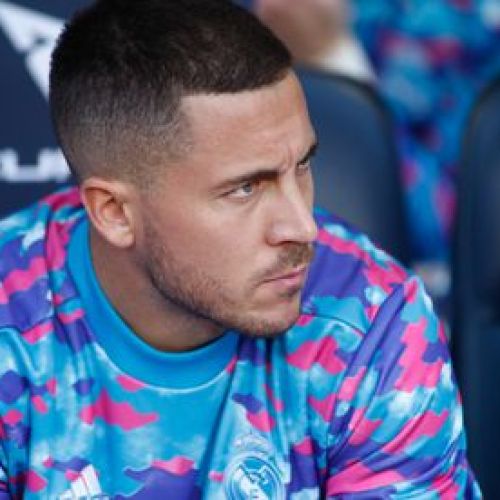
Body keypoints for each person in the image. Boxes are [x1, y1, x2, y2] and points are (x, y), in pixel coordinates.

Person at [0, 0, 479, 497]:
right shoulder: (11, 324)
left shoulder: (374, 321)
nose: (303, 227)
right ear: (115, 213)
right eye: (245, 188)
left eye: (303, 165)